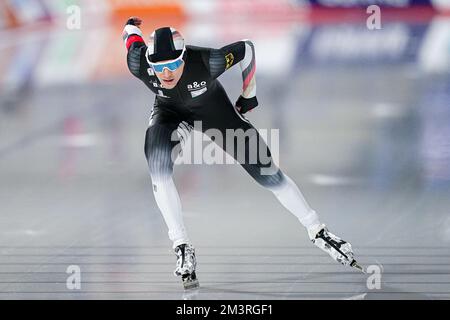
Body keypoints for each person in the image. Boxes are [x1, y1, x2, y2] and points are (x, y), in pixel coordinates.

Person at [122, 17, 363, 289]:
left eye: (174, 64)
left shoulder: (206, 61)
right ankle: (181, 246)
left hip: (216, 114)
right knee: (157, 162)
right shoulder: (138, 62)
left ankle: (317, 230)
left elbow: (246, 48)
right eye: (160, 67)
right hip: (170, 114)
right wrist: (131, 25)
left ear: (184, 57)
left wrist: (249, 93)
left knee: (268, 173)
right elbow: (131, 37)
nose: (167, 73)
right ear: (150, 63)